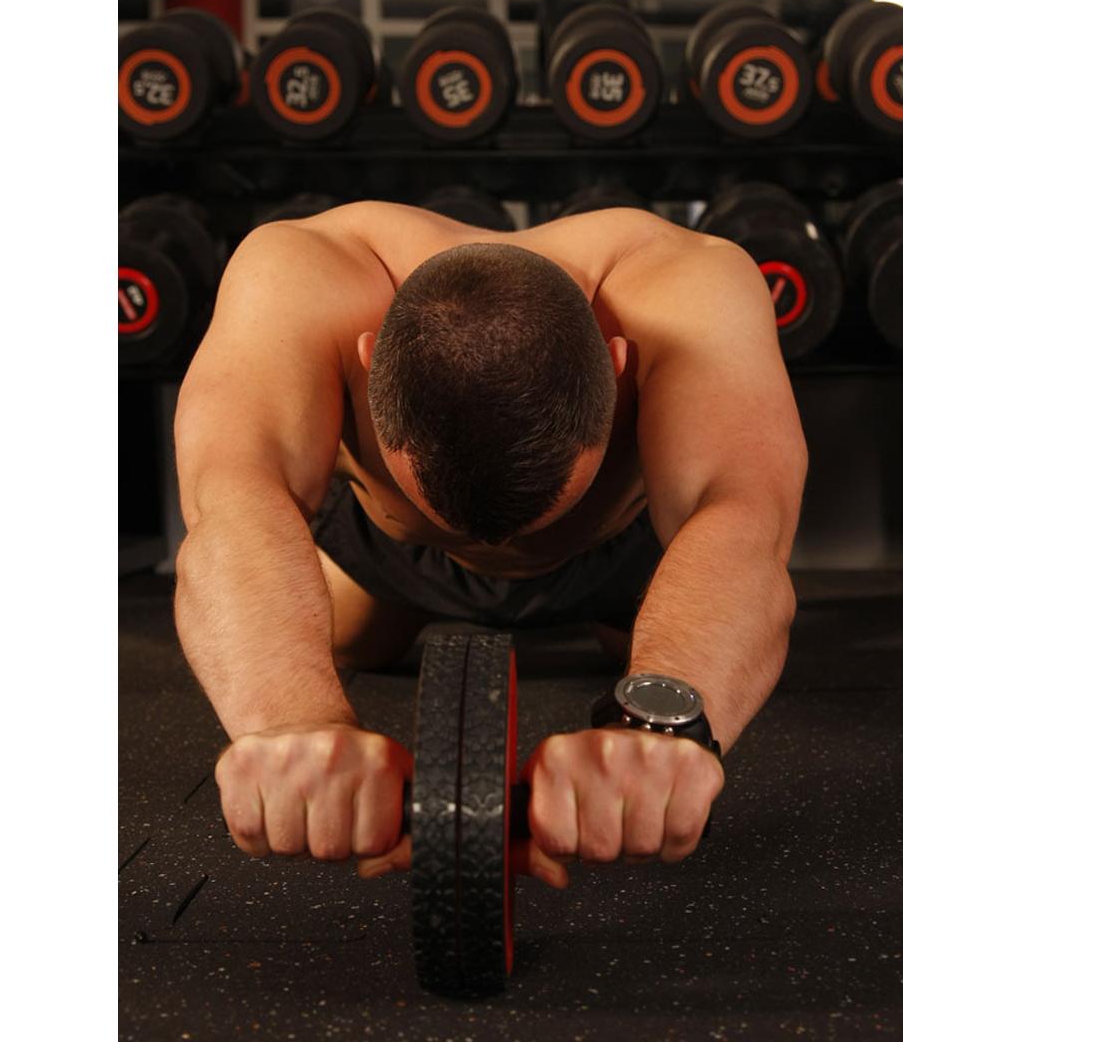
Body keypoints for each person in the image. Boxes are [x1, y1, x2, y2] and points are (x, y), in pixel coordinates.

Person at [174, 199, 806, 888]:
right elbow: (232, 501)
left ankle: (635, 631)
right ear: (371, 357)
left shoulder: (689, 289)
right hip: (391, 558)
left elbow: (743, 519)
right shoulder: (298, 275)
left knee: (669, 646)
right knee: (343, 640)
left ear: (615, 361)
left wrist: (660, 729)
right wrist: (289, 721)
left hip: (615, 558)